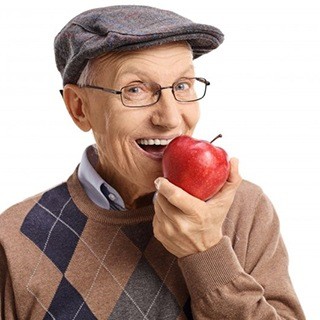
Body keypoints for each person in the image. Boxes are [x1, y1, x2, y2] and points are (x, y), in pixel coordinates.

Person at [0, 5, 305, 320]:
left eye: (183, 86)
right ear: (79, 108)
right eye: (135, 90)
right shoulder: (18, 235)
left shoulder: (244, 209)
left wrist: (207, 254)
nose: (171, 118)